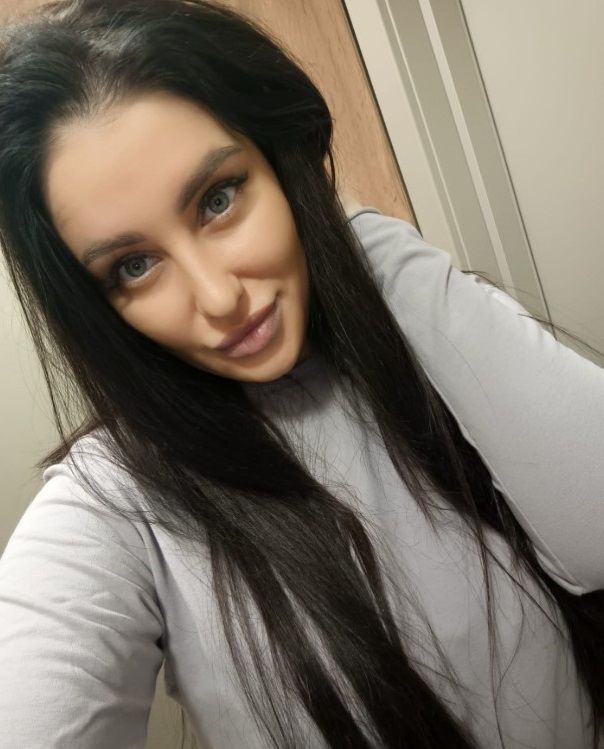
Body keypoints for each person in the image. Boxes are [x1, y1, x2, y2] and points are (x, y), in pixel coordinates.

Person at [0, 1, 603, 747]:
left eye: (219, 199)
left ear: (281, 163)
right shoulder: (117, 503)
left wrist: (363, 247)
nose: (218, 298)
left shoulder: (415, 332)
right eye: (134, 265)